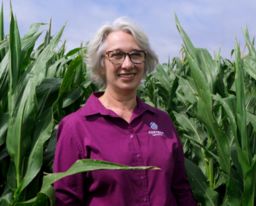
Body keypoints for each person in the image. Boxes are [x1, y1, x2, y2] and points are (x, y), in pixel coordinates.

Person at [53, 17, 197, 206]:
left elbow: (181, 188)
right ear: (101, 63)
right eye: (117, 55)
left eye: (136, 55)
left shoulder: (162, 121)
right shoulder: (76, 127)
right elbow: (67, 199)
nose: (128, 64)